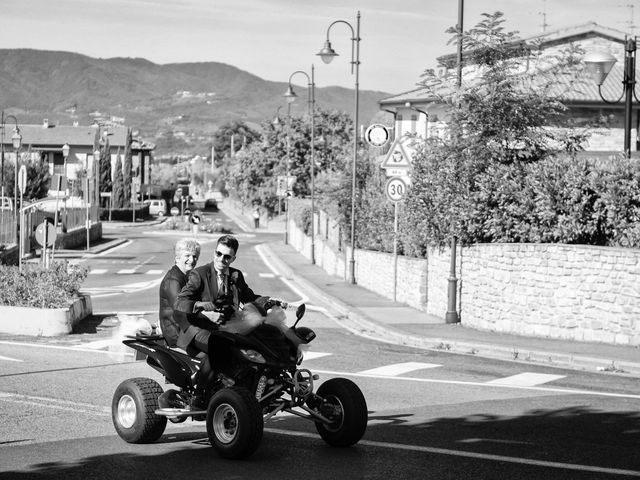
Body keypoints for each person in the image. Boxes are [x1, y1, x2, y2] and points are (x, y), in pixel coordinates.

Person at [175, 234, 281, 406]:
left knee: (254, 344)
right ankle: (198, 394)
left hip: (227, 328)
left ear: (233, 258)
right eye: (218, 254)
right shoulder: (199, 274)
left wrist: (269, 301)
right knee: (219, 346)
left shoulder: (236, 276)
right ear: (214, 252)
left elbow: (250, 297)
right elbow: (180, 302)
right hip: (198, 328)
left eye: (227, 257)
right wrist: (203, 309)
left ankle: (246, 388)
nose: (221, 259)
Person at [158, 239, 201, 347]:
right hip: (177, 333)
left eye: (195, 256)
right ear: (177, 258)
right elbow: (180, 309)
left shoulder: (186, 276)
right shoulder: (173, 280)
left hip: (187, 328)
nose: (192, 260)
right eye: (187, 256)